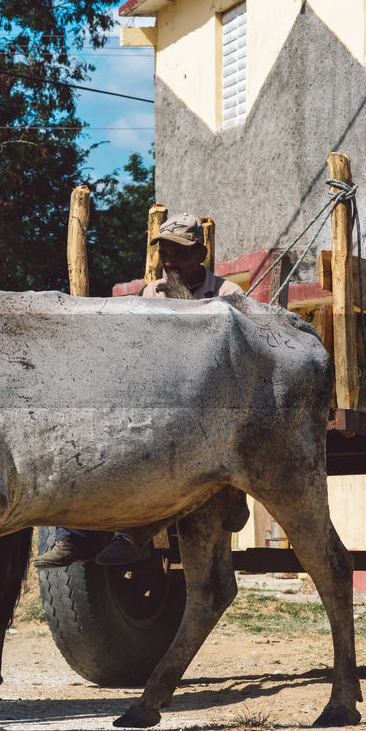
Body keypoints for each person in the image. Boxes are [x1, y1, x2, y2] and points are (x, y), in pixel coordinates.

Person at [34, 214, 245, 569]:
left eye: (178, 252)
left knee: (153, 448)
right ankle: (75, 534)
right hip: (158, 400)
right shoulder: (150, 293)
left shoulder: (229, 295)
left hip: (209, 407)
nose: (169, 260)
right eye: (165, 252)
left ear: (201, 254)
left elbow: (233, 361)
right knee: (90, 434)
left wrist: (182, 308)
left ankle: (133, 535)